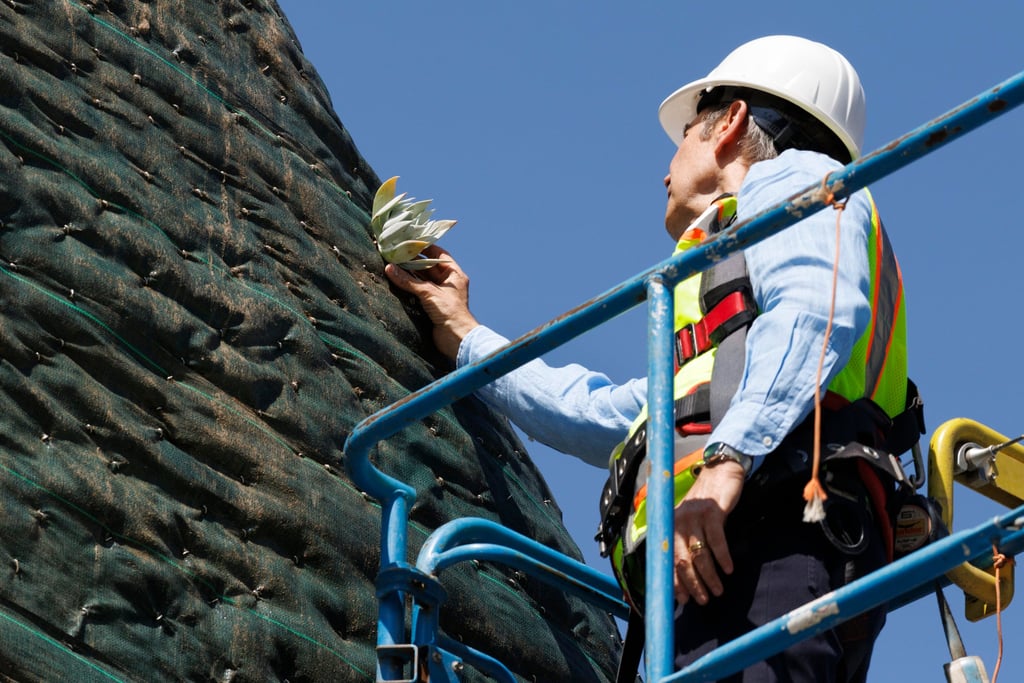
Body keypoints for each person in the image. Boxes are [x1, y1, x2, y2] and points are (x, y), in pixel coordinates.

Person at [386, 35, 916, 683]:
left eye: (682, 136)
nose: (664, 170)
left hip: (771, 538)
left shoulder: (800, 180)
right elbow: (611, 415)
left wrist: (725, 465)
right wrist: (466, 334)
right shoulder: (721, 281)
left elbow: (814, 312)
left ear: (730, 122)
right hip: (707, 565)